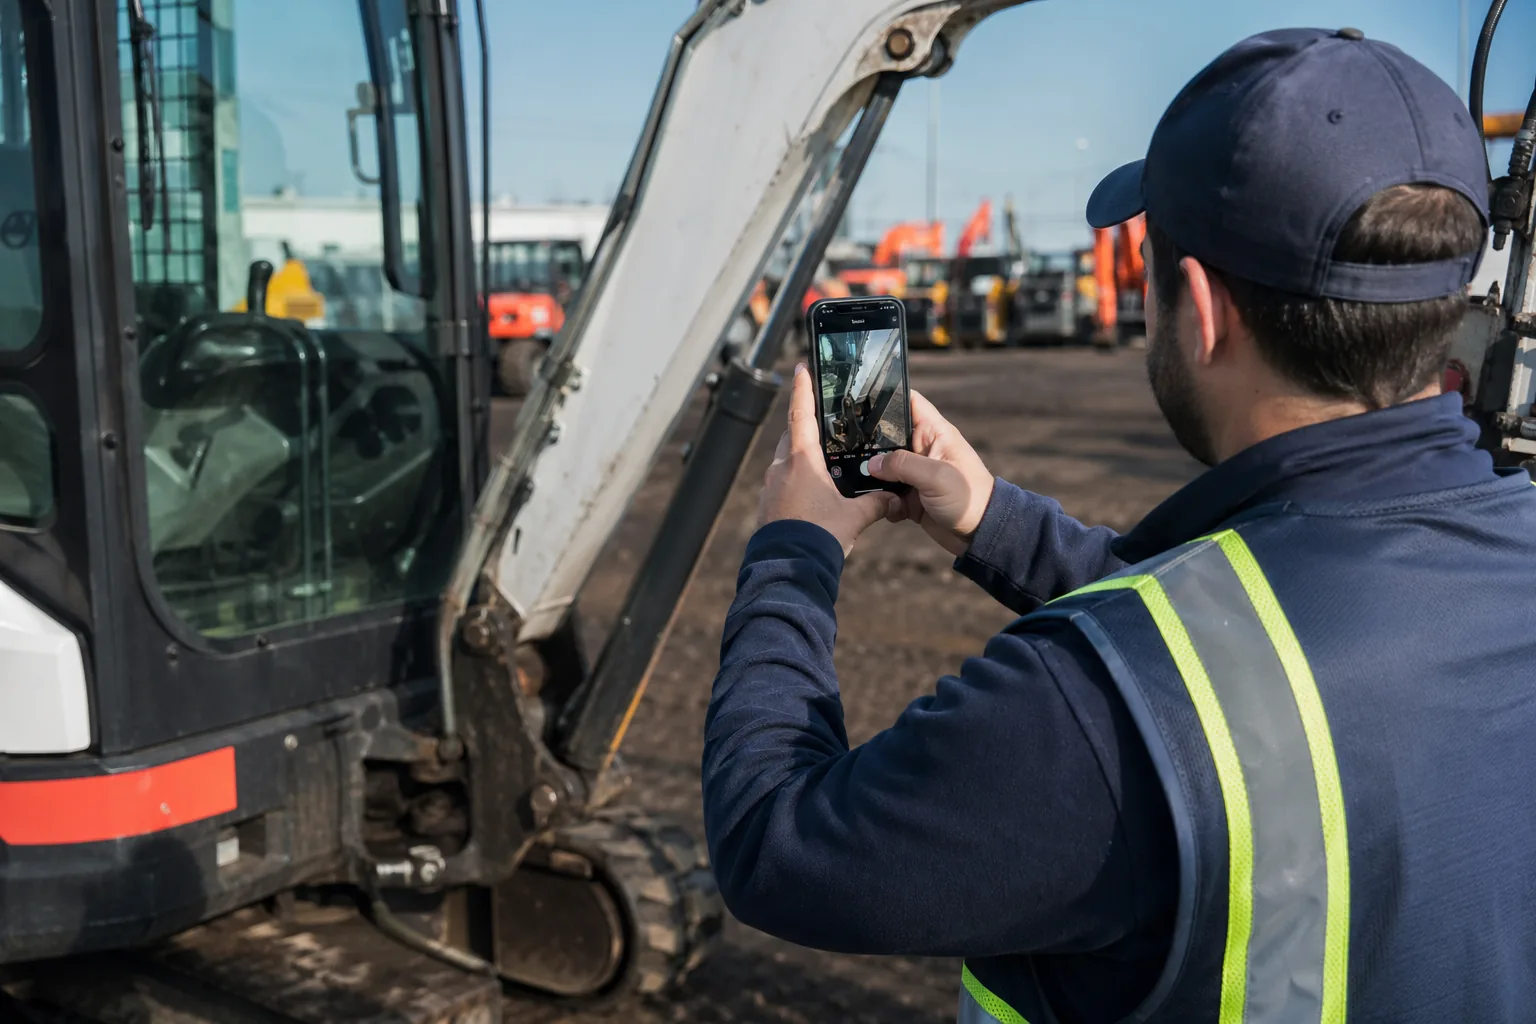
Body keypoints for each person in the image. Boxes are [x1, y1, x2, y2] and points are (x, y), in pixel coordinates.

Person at [701, 27, 1536, 1024]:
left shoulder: (1078, 705)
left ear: (1199, 306)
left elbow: (778, 847)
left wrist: (797, 546)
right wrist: (993, 521)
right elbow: (1247, 655)